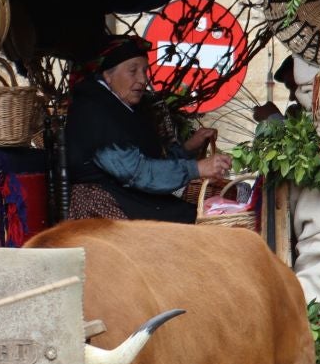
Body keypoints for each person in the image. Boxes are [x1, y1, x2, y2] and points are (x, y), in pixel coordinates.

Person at [64, 35, 228, 223]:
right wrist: (196, 168)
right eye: (133, 71)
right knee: (194, 223)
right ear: (108, 75)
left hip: (130, 195)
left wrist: (188, 147)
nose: (142, 79)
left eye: (144, 71)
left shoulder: (127, 108)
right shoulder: (93, 111)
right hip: (101, 203)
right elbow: (136, 172)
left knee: (200, 215)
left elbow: (153, 161)